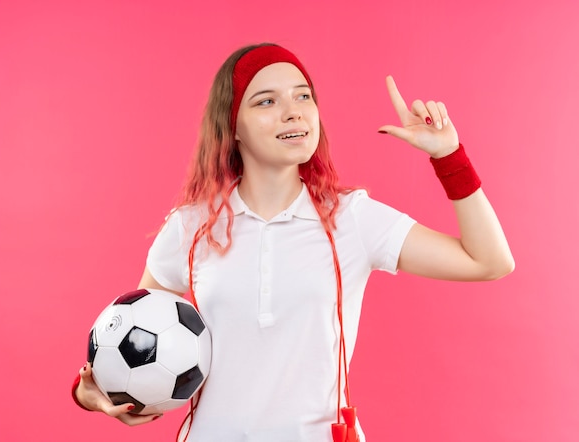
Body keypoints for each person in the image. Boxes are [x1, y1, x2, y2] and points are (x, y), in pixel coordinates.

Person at [72, 43, 514, 441]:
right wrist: (88, 391)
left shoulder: (351, 219)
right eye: (267, 101)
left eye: (303, 96)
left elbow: (489, 262)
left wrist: (447, 156)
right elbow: (135, 338)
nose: (294, 111)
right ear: (234, 127)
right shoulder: (191, 227)